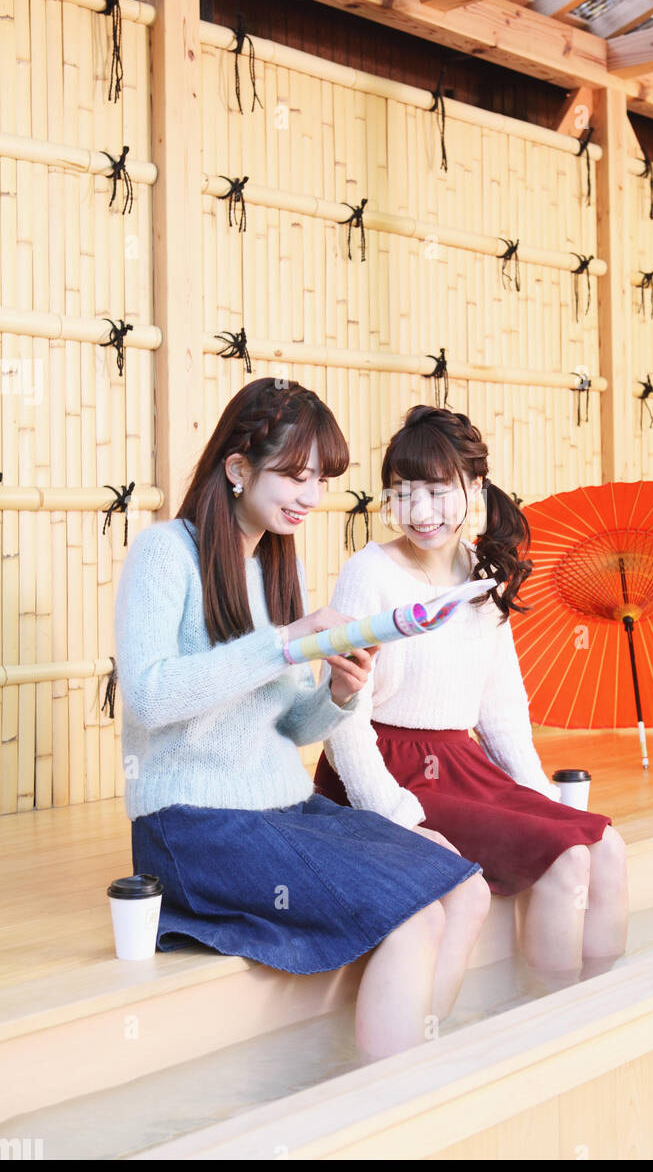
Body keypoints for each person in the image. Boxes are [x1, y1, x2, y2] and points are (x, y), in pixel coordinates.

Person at [114, 379, 490, 1059]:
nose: (311, 496)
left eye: (320, 478)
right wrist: (285, 644)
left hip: (283, 807)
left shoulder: (274, 569)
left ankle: (414, 1078)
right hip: (193, 821)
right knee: (411, 920)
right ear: (237, 469)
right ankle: (387, 1113)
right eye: (294, 475)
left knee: (464, 886)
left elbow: (293, 727)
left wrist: (343, 692)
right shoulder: (164, 553)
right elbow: (148, 695)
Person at [314, 405, 628, 974]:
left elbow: (501, 707)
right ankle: (548, 1022)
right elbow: (342, 719)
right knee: (566, 862)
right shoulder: (369, 573)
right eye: (403, 493)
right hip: (385, 768)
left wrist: (538, 797)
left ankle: (598, 1014)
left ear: (475, 487)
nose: (420, 511)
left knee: (605, 846)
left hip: (461, 763)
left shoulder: (482, 568)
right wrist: (390, 812)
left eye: (437, 491)